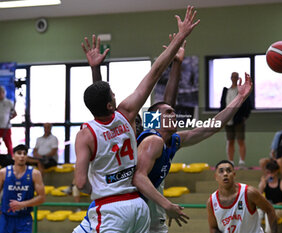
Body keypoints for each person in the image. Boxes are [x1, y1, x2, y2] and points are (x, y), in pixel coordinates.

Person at [74, 6, 200, 233]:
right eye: (112, 93)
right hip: (137, 205)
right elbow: (154, 72)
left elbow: (81, 183)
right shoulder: (127, 115)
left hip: (115, 206)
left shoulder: (89, 133)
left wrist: (103, 188)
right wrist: (180, 37)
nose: (115, 94)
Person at [133, 71, 252, 232]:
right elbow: (138, 177)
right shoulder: (152, 140)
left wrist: (240, 98)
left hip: (149, 211)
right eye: (169, 112)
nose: (174, 115)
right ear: (154, 119)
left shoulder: (173, 141)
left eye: (174, 112)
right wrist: (167, 205)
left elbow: (211, 127)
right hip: (131, 209)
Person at [207, 160, 277, 233]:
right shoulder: (211, 201)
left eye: (228, 171)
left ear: (234, 174)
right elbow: (213, 228)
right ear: (215, 176)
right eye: (221, 171)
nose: (225, 174)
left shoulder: (249, 193)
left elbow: (270, 210)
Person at [0, 144, 45, 233]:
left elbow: (42, 198)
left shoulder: (35, 174)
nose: (22, 156)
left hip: (24, 218)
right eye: (19, 153)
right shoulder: (3, 172)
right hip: (6, 217)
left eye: (24, 154)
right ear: (13, 156)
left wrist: (23, 204)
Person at [220, 72, 252, 167]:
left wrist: (244, 117)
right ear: (231, 78)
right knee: (230, 141)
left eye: (236, 77)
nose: (234, 78)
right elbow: (222, 105)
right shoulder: (226, 90)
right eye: (233, 77)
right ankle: (231, 161)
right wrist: (222, 118)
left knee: (240, 140)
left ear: (238, 78)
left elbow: (248, 105)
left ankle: (242, 161)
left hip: (238, 119)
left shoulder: (240, 90)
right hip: (227, 120)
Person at [258, 159, 282, 233]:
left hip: (279, 208)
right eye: (268, 173)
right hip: (268, 206)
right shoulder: (264, 183)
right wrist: (262, 184)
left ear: (276, 172)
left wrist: (281, 204)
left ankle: (268, 231)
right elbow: (258, 196)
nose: (270, 175)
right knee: (258, 212)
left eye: (271, 173)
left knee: (269, 211)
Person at [0, 86, 17, 157]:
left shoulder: (9, 103)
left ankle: (11, 160)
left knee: (9, 145)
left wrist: (8, 119)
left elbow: (14, 114)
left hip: (6, 127)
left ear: (3, 93)